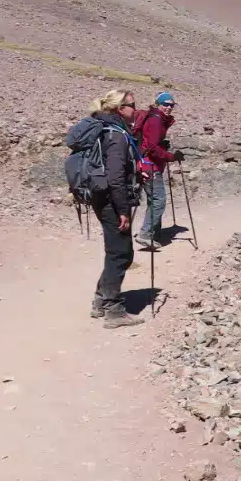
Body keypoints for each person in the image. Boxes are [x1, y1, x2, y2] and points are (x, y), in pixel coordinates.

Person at [87, 89, 144, 329]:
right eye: (132, 105)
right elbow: (116, 178)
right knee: (121, 253)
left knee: (116, 251)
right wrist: (122, 210)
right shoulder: (116, 135)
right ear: (120, 109)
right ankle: (113, 310)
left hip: (102, 198)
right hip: (113, 202)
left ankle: (101, 301)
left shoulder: (104, 129)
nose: (136, 109)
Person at [133, 91, 183, 251]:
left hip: (146, 164)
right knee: (159, 200)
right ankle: (146, 234)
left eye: (171, 105)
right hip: (151, 166)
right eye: (165, 104)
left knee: (153, 200)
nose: (169, 107)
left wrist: (162, 146)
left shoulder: (156, 118)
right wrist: (171, 156)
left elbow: (151, 143)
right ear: (158, 104)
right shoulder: (156, 120)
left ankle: (155, 234)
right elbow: (152, 148)